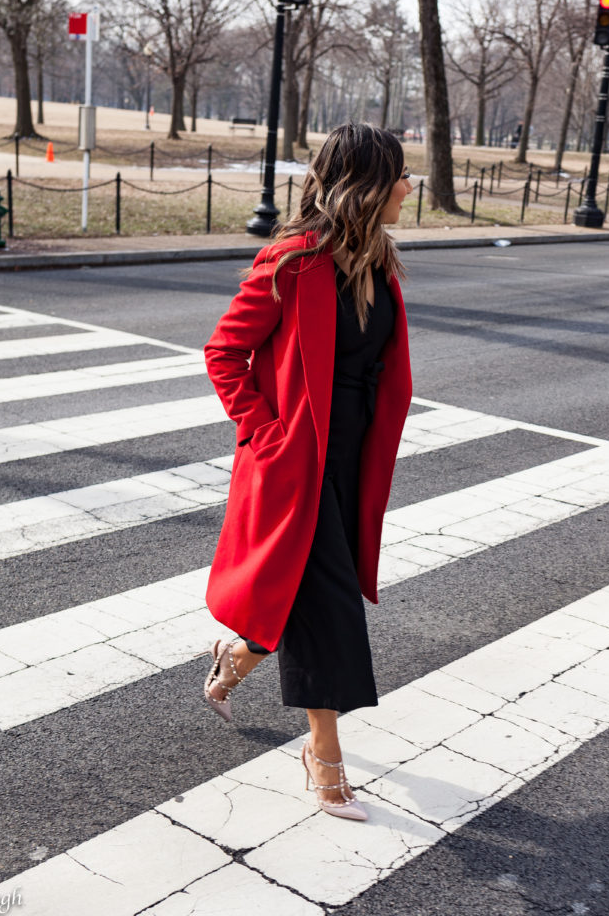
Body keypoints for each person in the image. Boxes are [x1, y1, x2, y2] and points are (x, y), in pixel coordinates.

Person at [201, 123, 413, 822]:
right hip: (297, 459)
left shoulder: (378, 260)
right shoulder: (293, 263)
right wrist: (266, 435)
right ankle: (324, 754)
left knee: (304, 587)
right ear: (369, 185)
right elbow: (224, 353)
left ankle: (239, 656)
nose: (410, 188)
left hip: (352, 456)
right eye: (400, 176)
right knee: (328, 604)